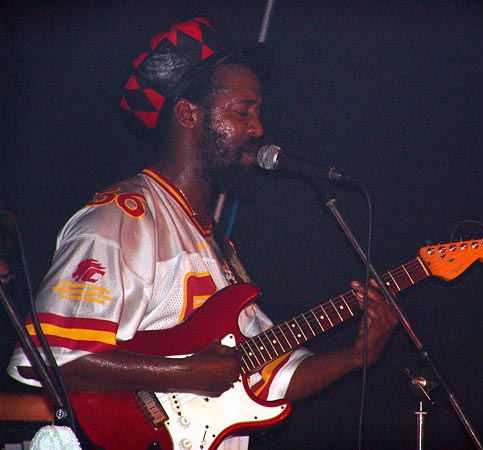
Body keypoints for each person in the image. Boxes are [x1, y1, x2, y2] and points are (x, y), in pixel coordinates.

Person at [8, 16, 399, 449]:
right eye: (242, 111)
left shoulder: (218, 246)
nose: (258, 128)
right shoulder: (120, 220)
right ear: (188, 114)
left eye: (258, 112)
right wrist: (185, 373)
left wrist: (356, 357)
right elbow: (52, 358)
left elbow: (270, 376)